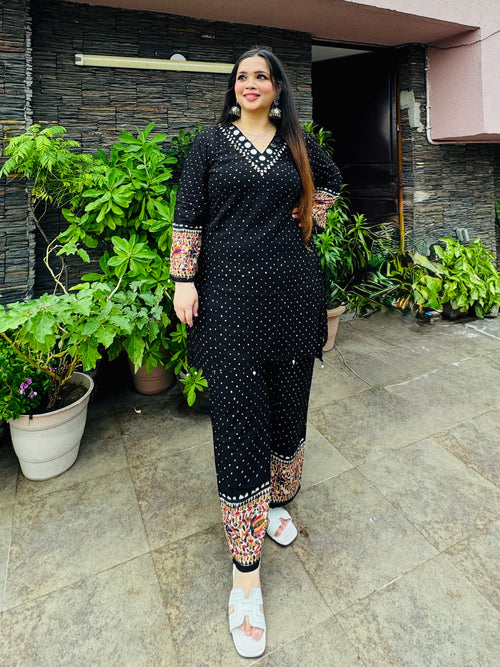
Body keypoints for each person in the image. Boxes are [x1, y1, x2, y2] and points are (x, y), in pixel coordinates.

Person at [170, 46, 341, 658]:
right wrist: (183, 280)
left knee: (288, 411)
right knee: (240, 423)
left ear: (277, 88)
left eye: (260, 76)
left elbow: (331, 180)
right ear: (234, 87)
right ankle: (246, 577)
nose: (250, 84)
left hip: (293, 295)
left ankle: (273, 504)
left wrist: (310, 215)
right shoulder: (211, 144)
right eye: (241, 76)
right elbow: (187, 213)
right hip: (229, 303)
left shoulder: (297, 142)